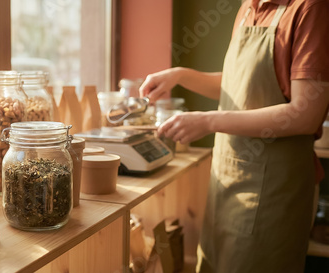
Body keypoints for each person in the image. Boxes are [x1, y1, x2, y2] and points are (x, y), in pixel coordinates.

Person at [139, 0, 329, 272]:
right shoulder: (249, 8)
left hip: (275, 191)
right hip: (226, 182)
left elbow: (305, 113)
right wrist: (180, 75)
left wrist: (209, 121)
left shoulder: (310, 9)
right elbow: (237, 84)